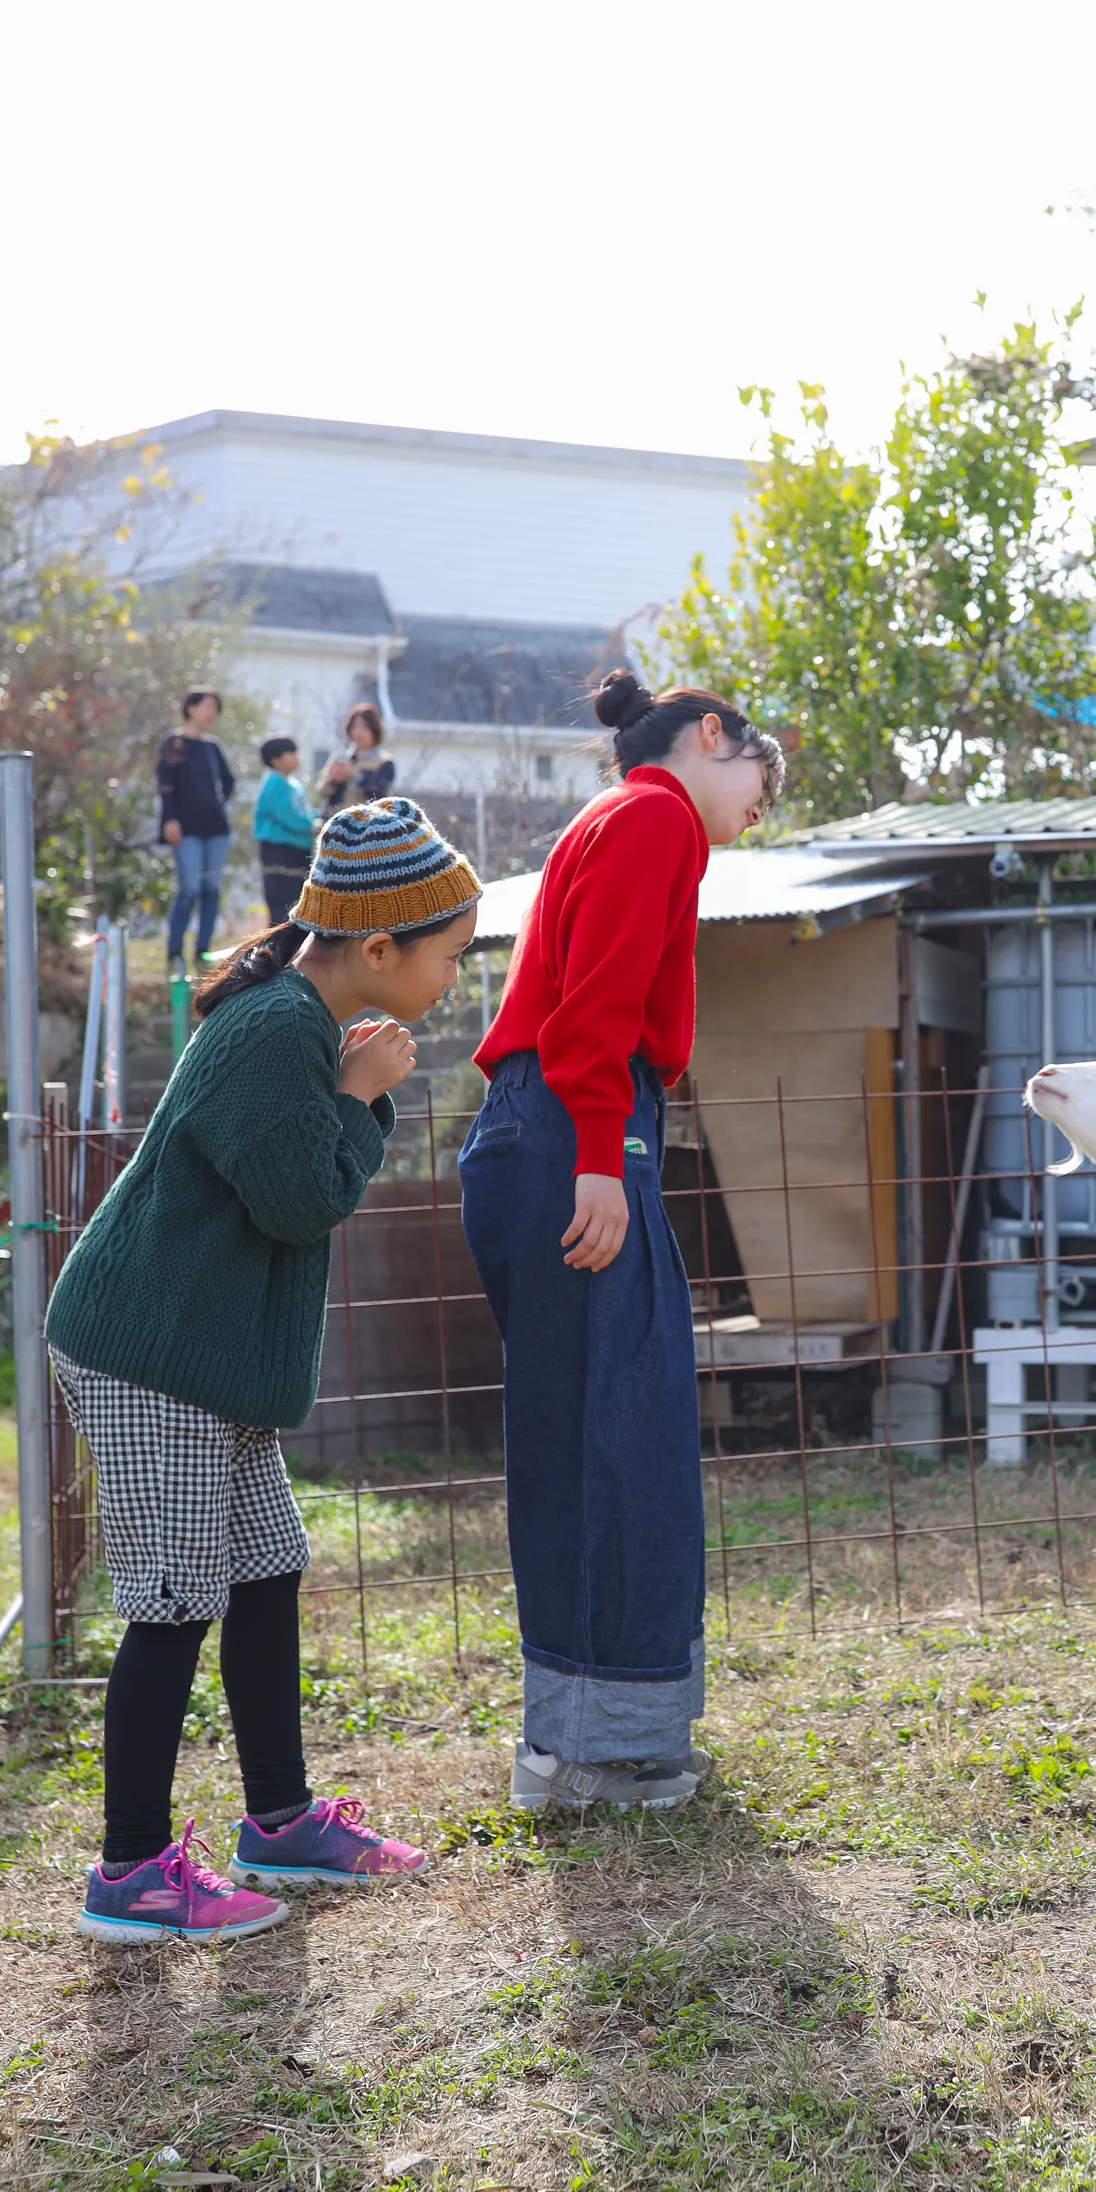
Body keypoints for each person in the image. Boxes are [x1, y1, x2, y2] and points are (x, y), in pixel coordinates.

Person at [45, 798, 482, 1942]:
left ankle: (279, 1825)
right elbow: (303, 1201)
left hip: (207, 1359)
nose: (455, 976)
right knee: (176, 1598)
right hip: (152, 1354)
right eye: (448, 953)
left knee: (266, 1567)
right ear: (379, 948)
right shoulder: (277, 1032)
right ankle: (129, 1873)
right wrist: (364, 1097)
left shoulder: (297, 1020)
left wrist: (349, 1095)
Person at [459, 669, 782, 1814]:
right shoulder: (652, 816)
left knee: (581, 1430)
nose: (760, 805)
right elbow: (592, 1002)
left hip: (546, 1123)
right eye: (760, 775)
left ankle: (576, 1745)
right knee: (621, 1429)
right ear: (708, 737)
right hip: (575, 1125)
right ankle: (606, 1753)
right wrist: (602, 1150)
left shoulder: (612, 818)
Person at [157, 688, 235, 974]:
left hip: (215, 829)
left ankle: (202, 948)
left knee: (211, 889)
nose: (212, 712)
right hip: (185, 828)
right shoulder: (173, 742)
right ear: (191, 708)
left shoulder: (213, 746)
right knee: (189, 887)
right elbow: (165, 786)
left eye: (216, 707)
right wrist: (170, 820)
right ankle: (174, 949)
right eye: (207, 706)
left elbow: (228, 781)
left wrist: (216, 803)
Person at [253, 737, 315, 928]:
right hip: (279, 850)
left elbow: (304, 812)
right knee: (282, 907)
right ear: (276, 759)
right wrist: (312, 825)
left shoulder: (293, 784)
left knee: (297, 904)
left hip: (298, 850)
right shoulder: (274, 783)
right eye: (291, 753)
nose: (296, 757)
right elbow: (291, 818)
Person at [321, 703, 397, 813]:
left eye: (364, 727)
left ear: (374, 730)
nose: (358, 732)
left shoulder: (384, 762)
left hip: (367, 823)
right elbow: (323, 793)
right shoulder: (341, 760)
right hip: (338, 821)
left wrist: (356, 776)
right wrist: (333, 780)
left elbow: (380, 796)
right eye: (355, 727)